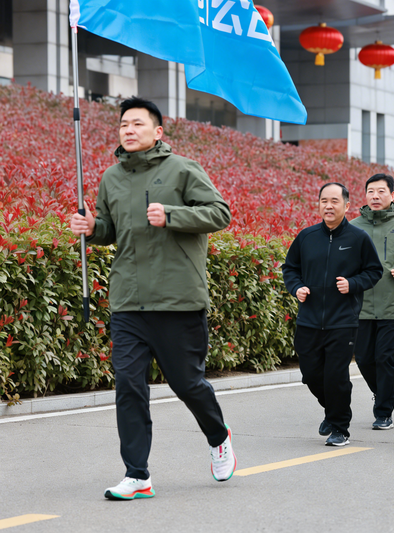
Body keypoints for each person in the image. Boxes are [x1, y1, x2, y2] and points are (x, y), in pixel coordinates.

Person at [70, 97, 236, 500]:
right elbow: (111, 229)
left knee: (187, 383)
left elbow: (220, 213)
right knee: (129, 385)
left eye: (137, 124)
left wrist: (173, 215)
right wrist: (92, 227)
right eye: (123, 124)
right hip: (128, 300)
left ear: (158, 131)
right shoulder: (111, 178)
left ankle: (218, 436)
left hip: (177, 299)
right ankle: (137, 474)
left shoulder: (182, 169)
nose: (128, 130)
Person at [282, 183, 383, 446]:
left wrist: (353, 284)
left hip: (343, 320)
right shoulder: (306, 237)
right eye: (324, 201)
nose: (328, 206)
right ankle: (331, 410)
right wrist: (296, 287)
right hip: (309, 319)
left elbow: (374, 271)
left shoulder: (358, 238)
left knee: (336, 376)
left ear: (346, 205)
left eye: (334, 201)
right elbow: (290, 268)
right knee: (310, 374)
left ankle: (340, 427)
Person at [350, 174, 394, 430]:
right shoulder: (352, 227)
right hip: (362, 303)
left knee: (384, 358)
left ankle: (383, 412)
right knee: (363, 358)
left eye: (381, 191)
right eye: (371, 191)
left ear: (393, 195)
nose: (375, 196)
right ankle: (382, 393)